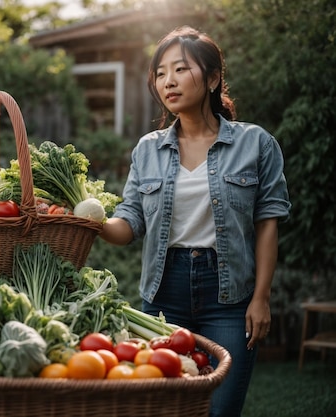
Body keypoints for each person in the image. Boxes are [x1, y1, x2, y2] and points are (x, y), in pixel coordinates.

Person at [100, 26, 291, 417]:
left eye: (180, 70)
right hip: (162, 295)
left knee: (220, 410)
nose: (168, 81)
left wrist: (261, 297)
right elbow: (128, 222)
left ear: (213, 78)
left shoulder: (256, 143)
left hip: (230, 298)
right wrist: (89, 221)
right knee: (161, 408)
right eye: (160, 73)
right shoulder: (147, 150)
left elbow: (268, 222)